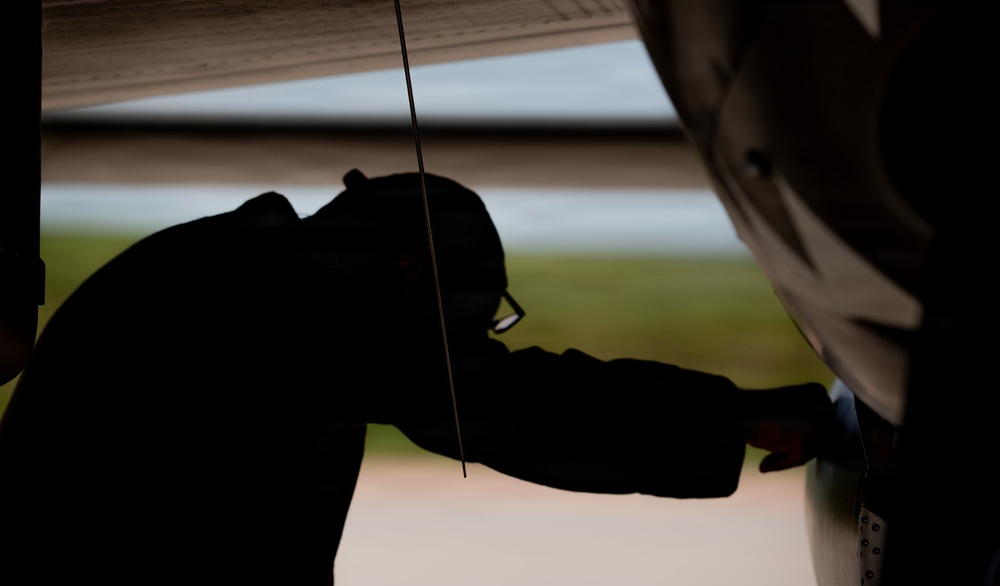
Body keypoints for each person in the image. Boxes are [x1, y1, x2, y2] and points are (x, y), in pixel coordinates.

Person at [0, 169, 836, 585]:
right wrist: (738, 415)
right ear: (403, 269)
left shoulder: (239, 267)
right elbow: (511, 407)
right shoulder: (276, 307)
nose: (449, 351)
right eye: (453, 326)